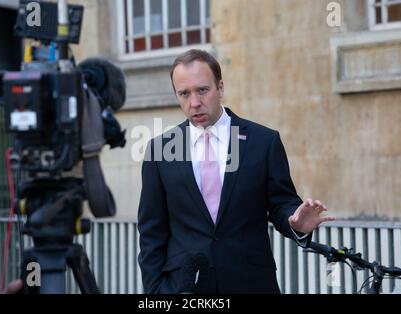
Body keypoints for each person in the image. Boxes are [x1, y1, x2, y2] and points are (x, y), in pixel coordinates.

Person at [137, 49, 335, 294]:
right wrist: (155, 292)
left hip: (250, 282)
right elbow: (151, 232)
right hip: (185, 287)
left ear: (220, 88)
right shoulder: (160, 150)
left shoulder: (263, 142)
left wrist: (296, 223)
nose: (194, 102)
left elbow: (281, 203)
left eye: (202, 90)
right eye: (184, 93)